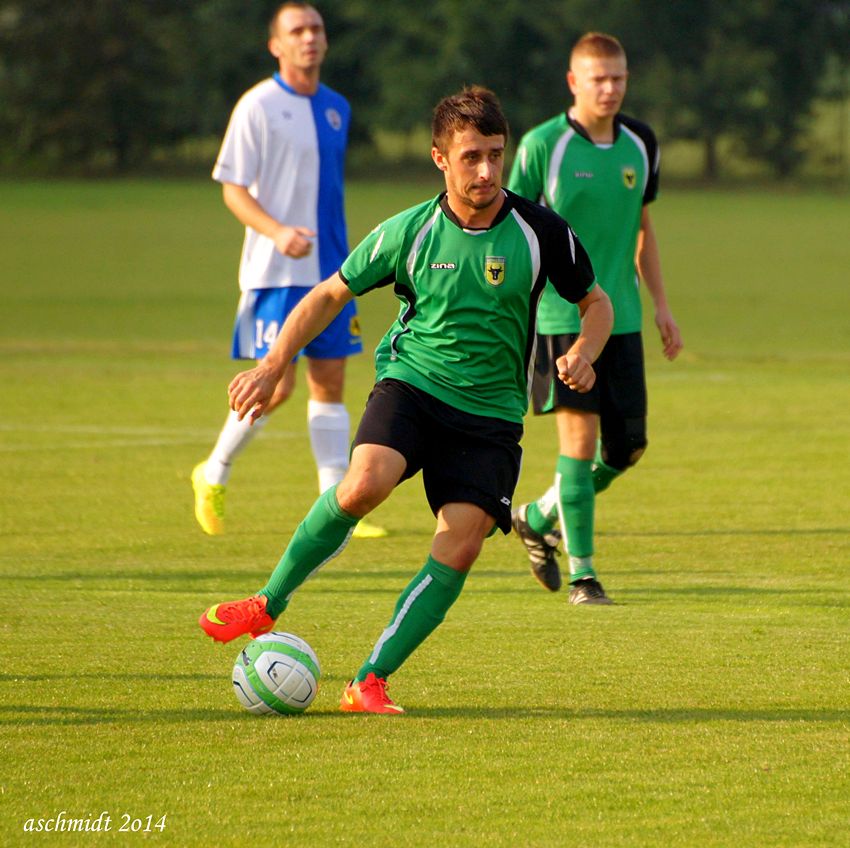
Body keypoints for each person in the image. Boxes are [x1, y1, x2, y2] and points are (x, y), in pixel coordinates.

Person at [198, 86, 613, 714]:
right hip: (413, 385)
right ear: (440, 159)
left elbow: (596, 303)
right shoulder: (410, 230)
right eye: (471, 157)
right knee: (364, 484)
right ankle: (266, 602)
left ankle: (370, 680)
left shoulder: (541, 231)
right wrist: (273, 363)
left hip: (491, 415)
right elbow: (329, 294)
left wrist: (584, 352)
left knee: (462, 545)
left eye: (495, 155)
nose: (486, 171)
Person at [191, 1, 385, 539]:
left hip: (331, 271)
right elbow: (232, 187)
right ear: (276, 45)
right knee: (274, 386)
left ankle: (336, 508)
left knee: (331, 382)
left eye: (316, 28)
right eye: (297, 30)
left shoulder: (337, 107)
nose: (309, 37)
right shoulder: (257, 105)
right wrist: (277, 232)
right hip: (275, 272)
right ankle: (213, 472)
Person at [508, 32, 683, 605]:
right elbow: (512, 227)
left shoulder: (641, 142)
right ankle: (584, 576)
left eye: (619, 78)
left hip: (623, 317)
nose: (610, 89)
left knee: (627, 448)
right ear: (573, 82)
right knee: (579, 446)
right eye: (598, 79)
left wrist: (661, 305)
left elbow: (642, 226)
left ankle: (539, 515)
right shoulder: (543, 145)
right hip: (562, 315)